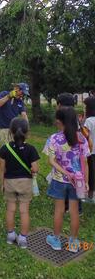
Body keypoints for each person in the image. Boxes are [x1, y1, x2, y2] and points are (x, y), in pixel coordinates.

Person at [44, 107, 90, 252]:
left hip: (59, 181)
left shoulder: (54, 138)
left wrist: (64, 172)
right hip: (78, 182)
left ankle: (56, 240)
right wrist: (86, 182)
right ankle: (73, 243)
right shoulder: (82, 139)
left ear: (59, 121)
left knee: (59, 211)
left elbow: (51, 161)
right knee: (74, 211)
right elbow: (85, 163)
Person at [0, 117, 40, 248]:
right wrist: (33, 170)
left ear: (10, 132)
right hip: (25, 183)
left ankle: (10, 235)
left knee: (10, 210)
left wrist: (2, 183)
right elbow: (35, 168)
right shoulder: (31, 149)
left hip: (9, 182)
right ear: (27, 133)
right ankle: (22, 238)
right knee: (24, 211)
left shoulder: (5, 149)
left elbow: (2, 169)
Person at [84, 96, 95, 201]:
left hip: (91, 151)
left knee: (91, 172)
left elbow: (84, 136)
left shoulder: (88, 121)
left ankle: (90, 195)